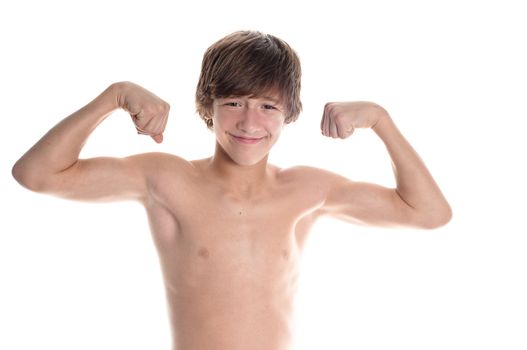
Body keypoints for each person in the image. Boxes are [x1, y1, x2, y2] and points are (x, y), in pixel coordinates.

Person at [12, 30, 452, 350]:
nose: (248, 123)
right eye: (234, 103)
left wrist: (381, 120)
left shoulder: (307, 189)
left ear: (289, 114)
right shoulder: (168, 180)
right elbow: (37, 174)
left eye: (267, 106)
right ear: (208, 107)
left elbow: (430, 212)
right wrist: (114, 96)